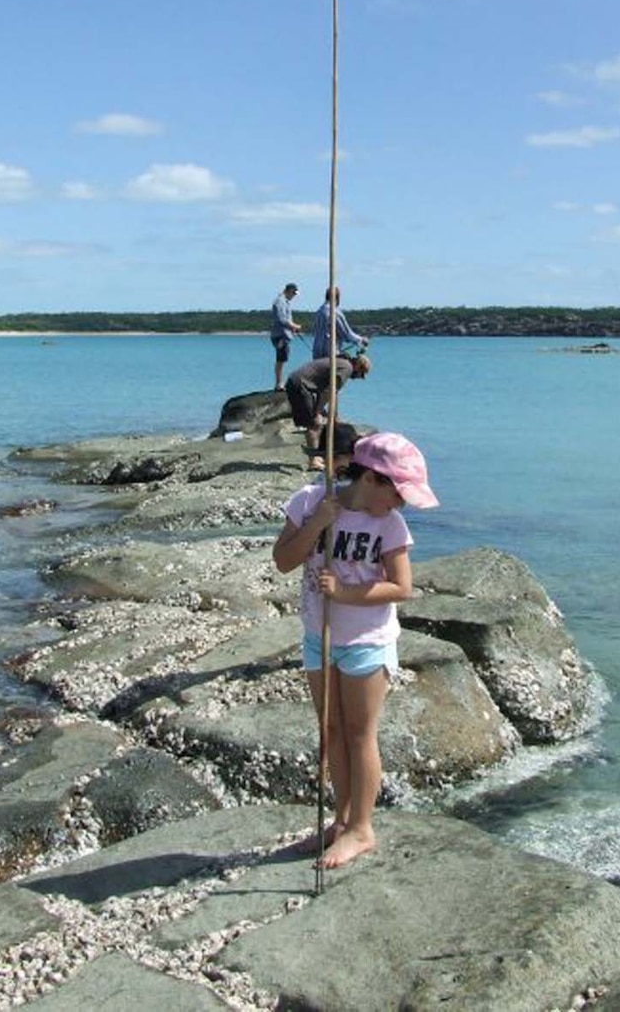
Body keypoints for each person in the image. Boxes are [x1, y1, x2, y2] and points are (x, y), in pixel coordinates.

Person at [272, 431, 439, 869]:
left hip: (367, 642)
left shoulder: (389, 525)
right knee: (331, 731)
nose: (400, 504)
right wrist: (316, 525)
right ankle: (341, 820)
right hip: (318, 635)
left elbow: (401, 587)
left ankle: (362, 829)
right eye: (397, 492)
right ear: (371, 478)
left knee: (360, 733)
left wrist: (345, 592)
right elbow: (284, 560)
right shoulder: (312, 501)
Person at [285, 354, 371, 470]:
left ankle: (317, 457)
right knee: (315, 423)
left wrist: (335, 415)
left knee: (316, 421)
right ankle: (313, 461)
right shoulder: (347, 368)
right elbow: (329, 391)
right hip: (301, 385)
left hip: (298, 383)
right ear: (358, 367)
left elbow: (333, 393)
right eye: (362, 373)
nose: (360, 377)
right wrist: (318, 411)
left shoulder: (342, 363)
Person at [312, 287, 368, 361]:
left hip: (316, 355)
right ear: (337, 298)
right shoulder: (335, 312)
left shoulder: (319, 312)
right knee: (350, 367)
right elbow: (347, 334)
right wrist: (361, 340)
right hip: (330, 355)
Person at [270, 282, 303, 390]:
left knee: (283, 359)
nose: (294, 296)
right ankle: (279, 383)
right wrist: (294, 326)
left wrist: (292, 329)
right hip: (280, 335)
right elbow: (282, 319)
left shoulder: (286, 302)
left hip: (284, 335)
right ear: (289, 291)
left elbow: (286, 319)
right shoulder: (280, 301)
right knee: (281, 359)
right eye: (293, 293)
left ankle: (280, 382)